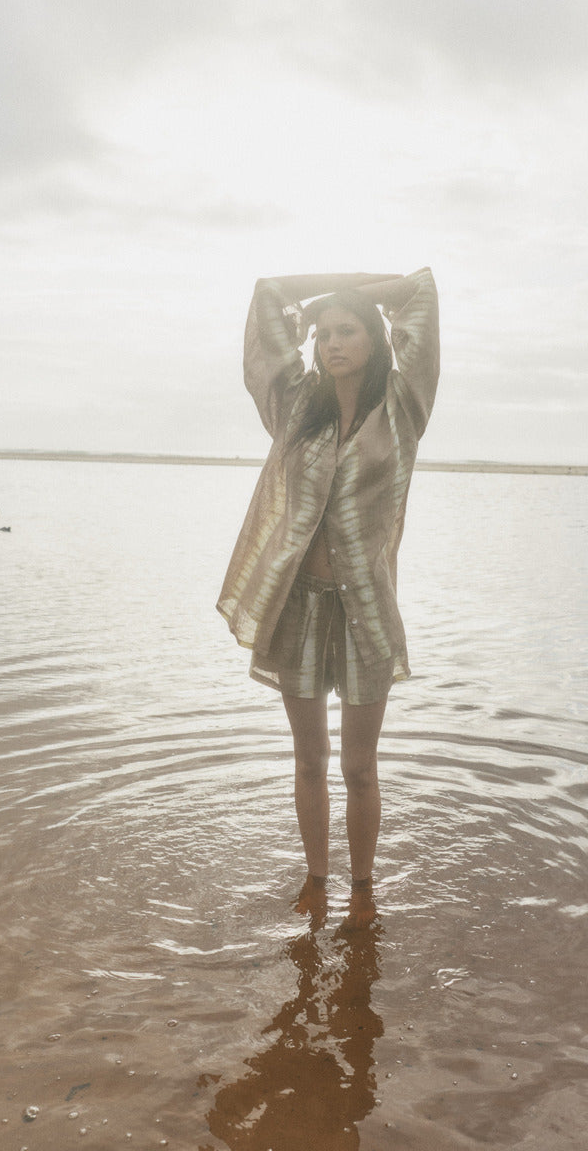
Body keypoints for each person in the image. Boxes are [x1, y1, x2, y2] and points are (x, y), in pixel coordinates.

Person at [217, 268, 439, 927]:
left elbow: (422, 293)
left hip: (367, 608)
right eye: (324, 334)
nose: (332, 343)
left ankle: (364, 890)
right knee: (309, 760)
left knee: (360, 767)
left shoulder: (403, 409)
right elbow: (266, 296)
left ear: (376, 337)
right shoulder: (295, 406)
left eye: (347, 332)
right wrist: (313, 302)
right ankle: (316, 882)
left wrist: (363, 292)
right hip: (299, 602)